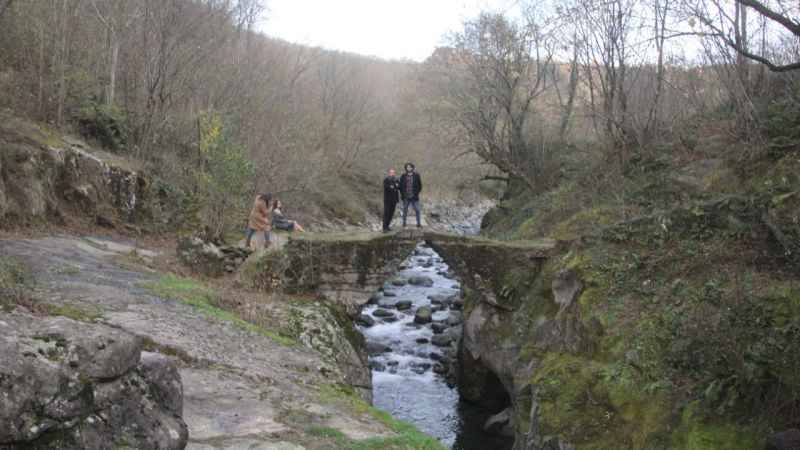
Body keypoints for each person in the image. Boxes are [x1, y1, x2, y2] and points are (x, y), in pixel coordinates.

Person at [399, 162, 422, 228]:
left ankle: (418, 223)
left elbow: (420, 186)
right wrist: (402, 194)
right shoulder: (403, 176)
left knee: (417, 210)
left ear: (412, 167)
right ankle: (404, 223)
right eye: (407, 167)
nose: (408, 168)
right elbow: (401, 186)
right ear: (406, 168)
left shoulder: (416, 175)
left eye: (410, 167)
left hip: (414, 197)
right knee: (405, 210)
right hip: (406, 196)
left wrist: (416, 193)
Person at [382, 168, 400, 232]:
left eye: (393, 172)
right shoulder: (386, 180)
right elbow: (387, 188)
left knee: (391, 214)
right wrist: (393, 187)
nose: (392, 174)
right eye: (391, 172)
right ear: (389, 173)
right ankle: (384, 228)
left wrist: (394, 186)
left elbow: (398, 187)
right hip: (387, 200)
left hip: (394, 200)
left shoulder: (396, 180)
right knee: (386, 213)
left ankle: (387, 226)